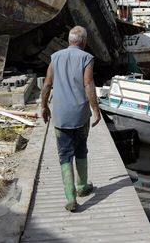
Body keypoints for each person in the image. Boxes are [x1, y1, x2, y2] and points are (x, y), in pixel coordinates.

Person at [40, 26, 101, 212]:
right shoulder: (86, 58)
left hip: (60, 115)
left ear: (69, 40)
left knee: (64, 155)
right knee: (81, 148)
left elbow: (47, 84)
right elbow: (88, 84)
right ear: (83, 42)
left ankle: (70, 198)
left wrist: (43, 106)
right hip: (80, 115)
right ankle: (82, 187)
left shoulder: (55, 57)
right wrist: (96, 110)